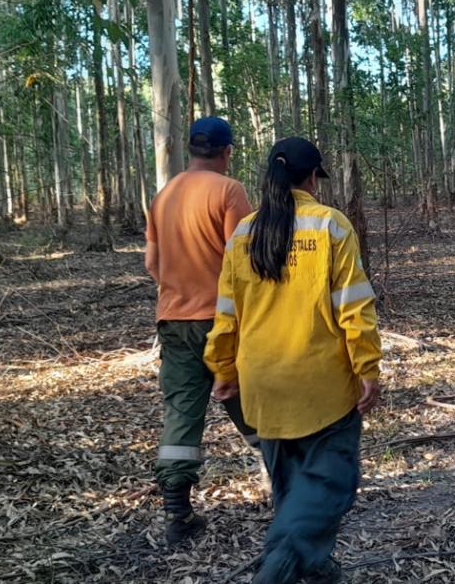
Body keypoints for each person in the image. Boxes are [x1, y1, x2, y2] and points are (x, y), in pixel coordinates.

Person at [204, 137, 381, 584]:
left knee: (289, 486)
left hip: (262, 384)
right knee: (329, 484)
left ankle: (316, 567)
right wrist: (367, 368)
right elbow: (354, 307)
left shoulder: (244, 234)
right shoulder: (330, 227)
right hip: (322, 385)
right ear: (310, 178)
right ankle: (279, 567)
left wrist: (224, 369)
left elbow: (226, 312)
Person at [144, 116, 257, 546]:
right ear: (227, 151)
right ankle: (285, 483)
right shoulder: (229, 191)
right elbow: (242, 260)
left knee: (182, 411)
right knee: (251, 398)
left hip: (174, 320)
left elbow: (152, 265)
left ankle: (177, 511)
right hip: (223, 320)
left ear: (191, 150)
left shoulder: (164, 195)